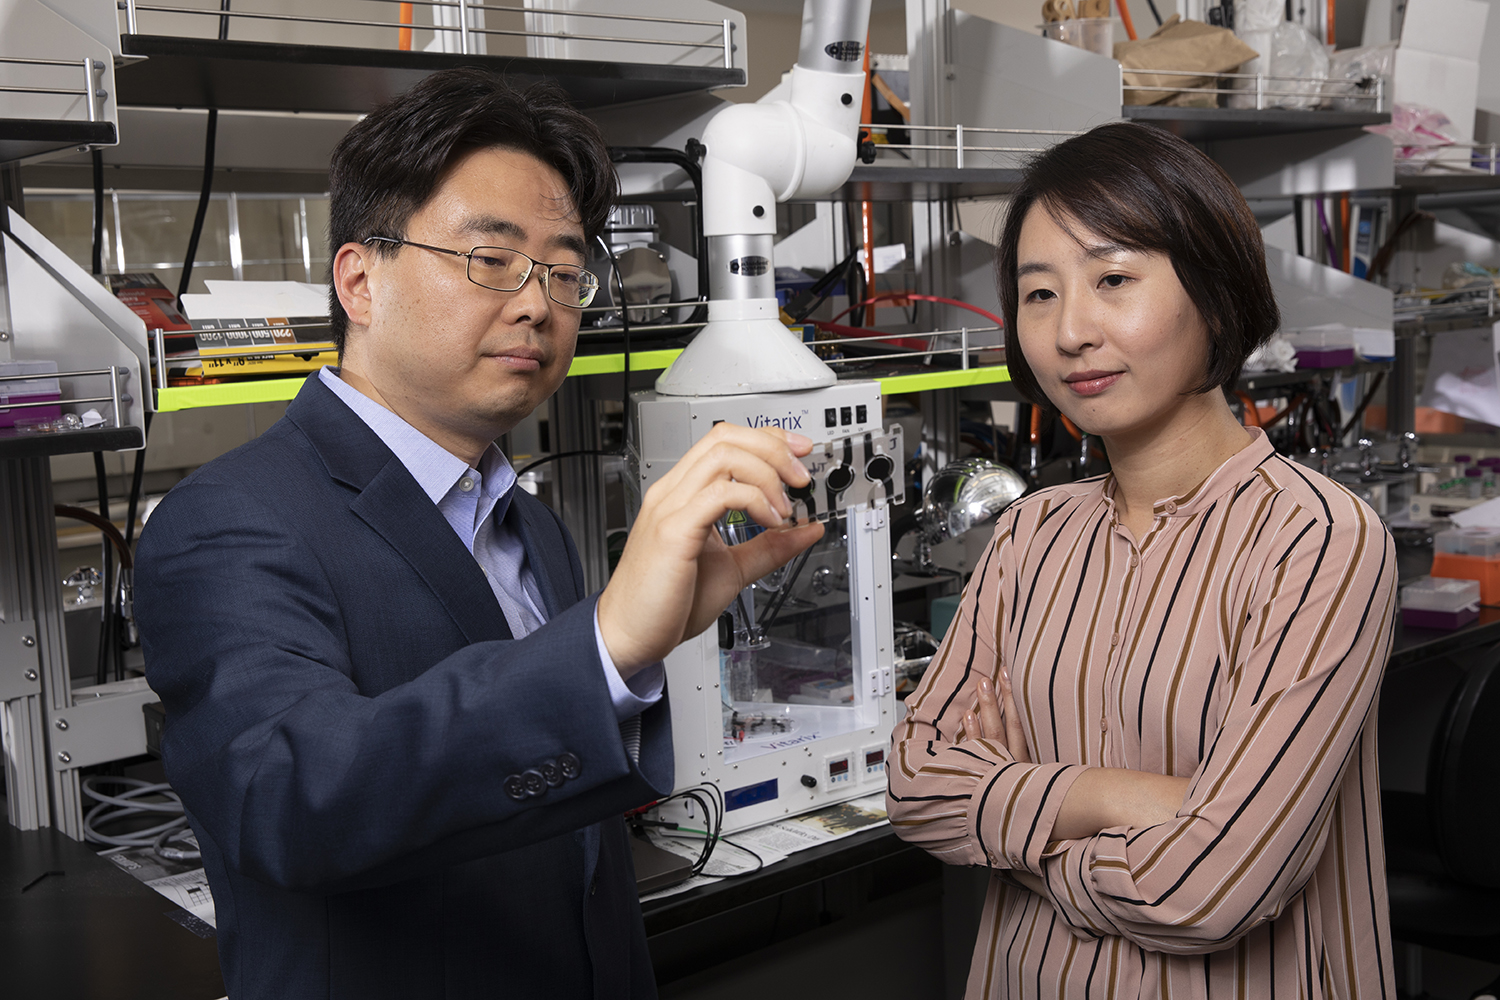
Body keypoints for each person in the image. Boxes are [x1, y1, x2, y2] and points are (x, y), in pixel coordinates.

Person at [135, 69, 823, 1000]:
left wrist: (628, 652)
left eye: (566, 272)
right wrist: (607, 644)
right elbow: (288, 802)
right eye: (490, 259)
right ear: (360, 279)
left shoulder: (531, 524)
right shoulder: (227, 522)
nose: (538, 305)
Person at [887, 122, 1397, 999]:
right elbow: (917, 786)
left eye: (1114, 280)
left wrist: (1019, 832)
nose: (1071, 331)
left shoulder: (1317, 541)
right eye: (1038, 294)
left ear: (1214, 290)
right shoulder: (1030, 535)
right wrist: (1120, 798)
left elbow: (1213, 888)